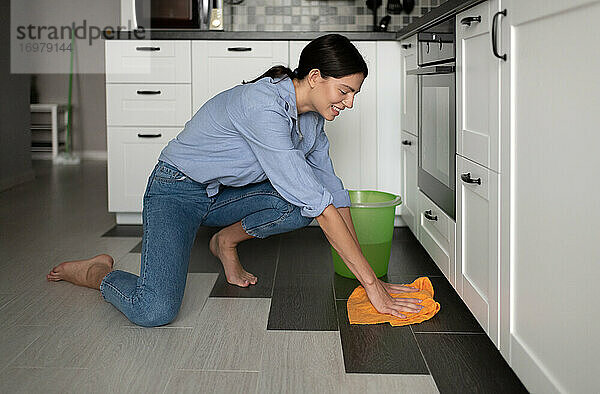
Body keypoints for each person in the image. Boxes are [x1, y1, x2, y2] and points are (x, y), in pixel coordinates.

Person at [46, 34, 424, 327]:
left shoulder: (312, 122)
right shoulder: (263, 107)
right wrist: (374, 288)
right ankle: (98, 271)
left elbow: (334, 195)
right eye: (345, 91)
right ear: (314, 77)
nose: (350, 102)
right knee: (154, 310)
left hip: (220, 196)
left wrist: (369, 279)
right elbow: (321, 206)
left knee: (302, 203)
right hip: (175, 190)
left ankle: (224, 240)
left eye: (355, 93)